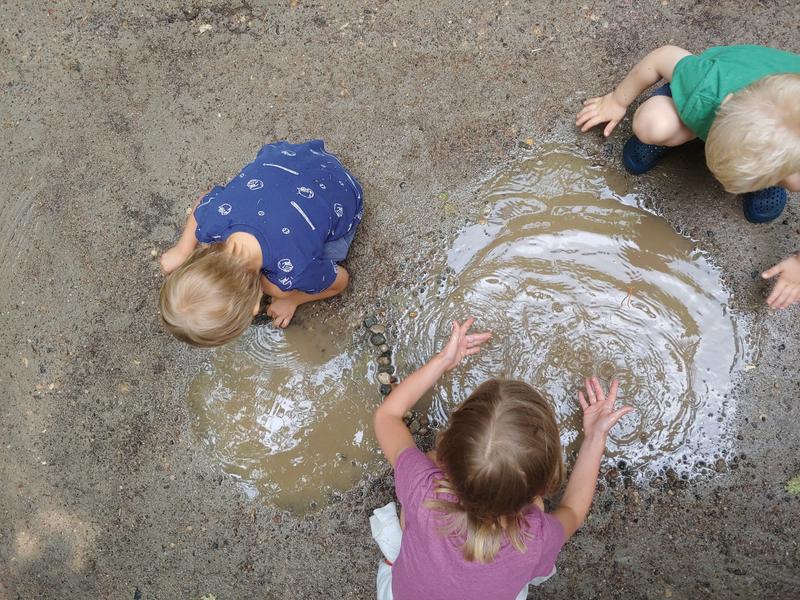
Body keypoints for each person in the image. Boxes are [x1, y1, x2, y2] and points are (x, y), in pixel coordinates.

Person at [371, 318, 634, 600]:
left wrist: (444, 360)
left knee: (424, 467)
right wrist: (595, 437)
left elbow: (387, 416)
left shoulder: (422, 489)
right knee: (533, 519)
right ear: (544, 482)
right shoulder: (534, 538)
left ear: (447, 448)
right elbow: (572, 511)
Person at [576, 45, 800, 308]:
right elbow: (662, 56)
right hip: (712, 94)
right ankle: (681, 119)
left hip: (781, 140)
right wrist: (617, 100)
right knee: (653, 124)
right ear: (725, 106)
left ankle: (763, 176)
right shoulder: (709, 84)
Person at [158, 140, 363, 346]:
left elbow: (340, 281)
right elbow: (203, 200)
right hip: (293, 157)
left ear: (255, 308)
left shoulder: (289, 277)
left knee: (329, 253)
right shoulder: (213, 219)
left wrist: (292, 300)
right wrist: (182, 249)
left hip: (344, 193)